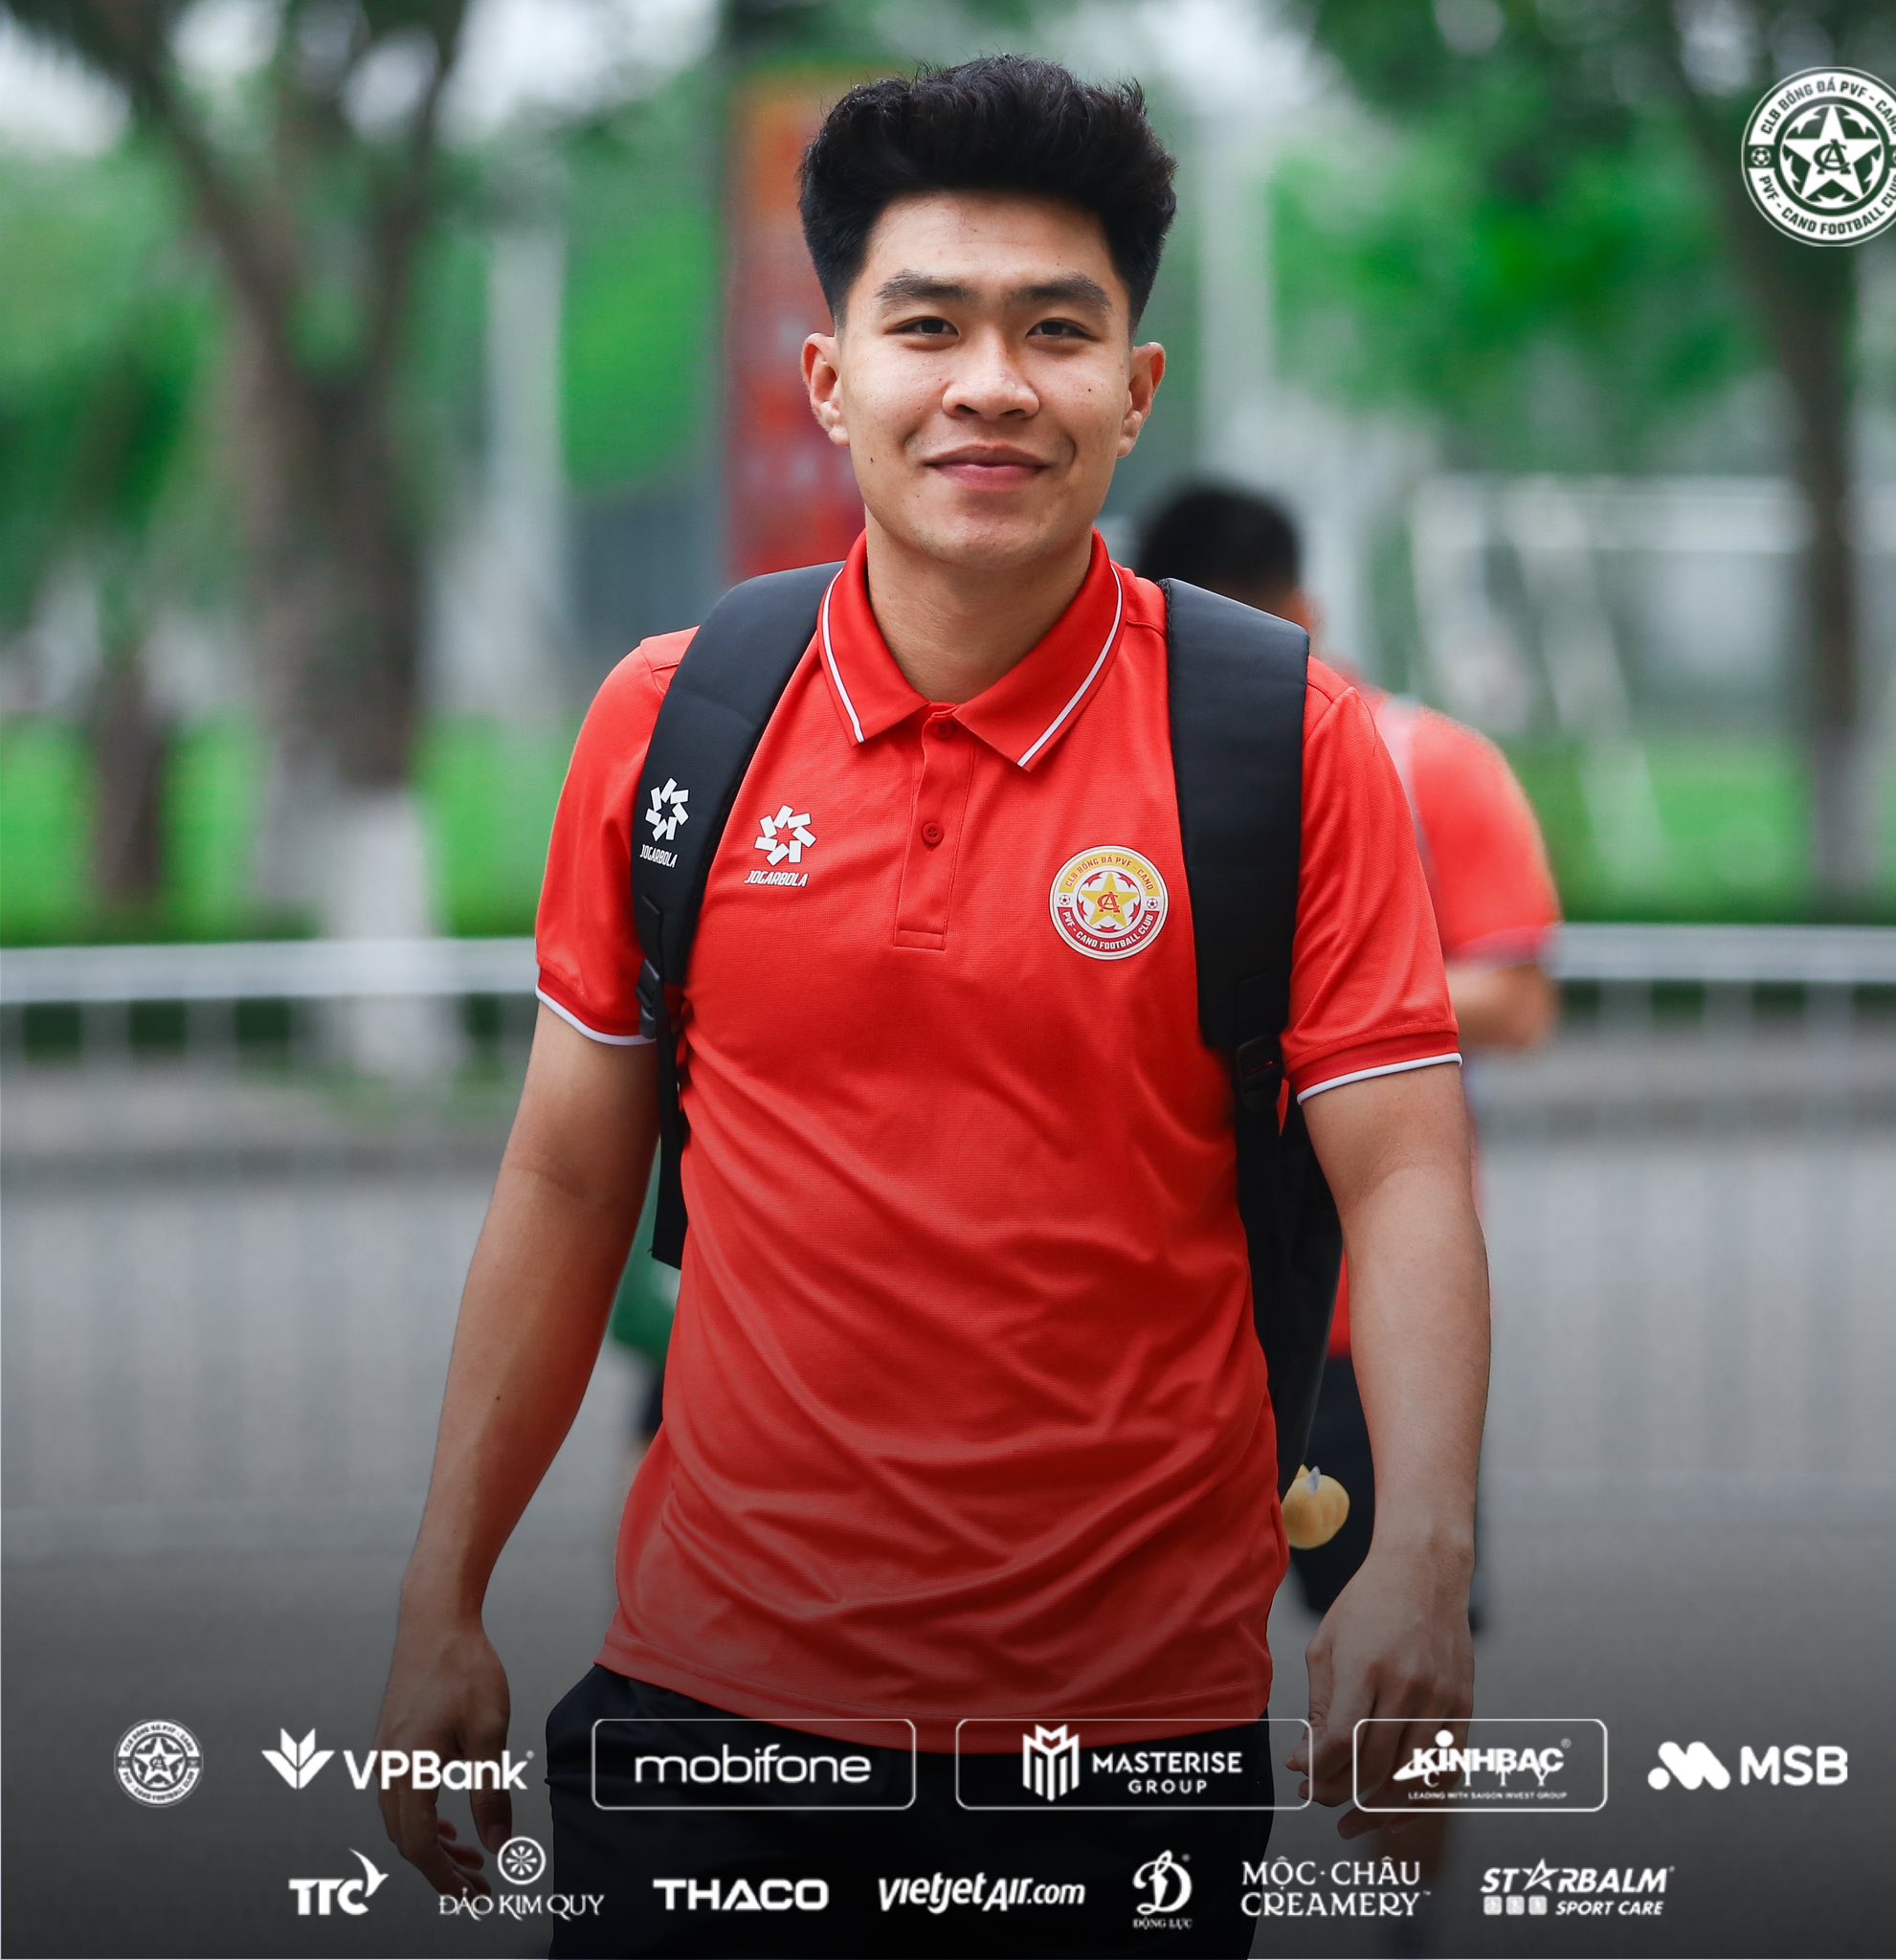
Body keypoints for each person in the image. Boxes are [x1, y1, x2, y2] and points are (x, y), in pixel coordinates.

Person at [375, 58, 1489, 1960]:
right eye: (928, 326)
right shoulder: (676, 720)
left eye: (1057, 330)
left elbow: (1401, 1173)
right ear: (831, 378)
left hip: (1119, 1747)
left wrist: (1420, 1562)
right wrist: (440, 1594)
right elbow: (567, 1173)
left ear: (1135, 388)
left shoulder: (1277, 741)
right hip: (706, 1717)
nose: (991, 382)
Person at [1137, 482, 1561, 1944]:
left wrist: (1321, 994)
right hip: (1157, 1328)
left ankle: (1401, 1927)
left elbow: (1518, 995)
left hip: (1354, 1321)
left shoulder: (1423, 761)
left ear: (1306, 618)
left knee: (1399, 1657)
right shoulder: (1113, 759)